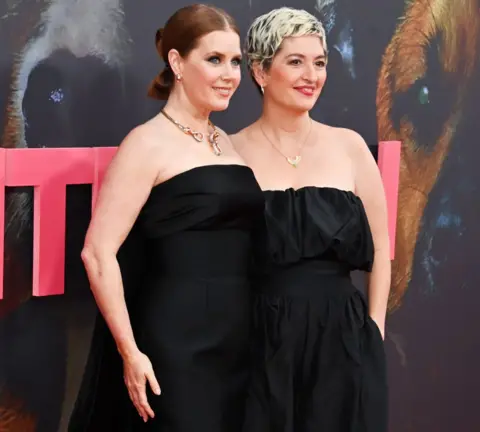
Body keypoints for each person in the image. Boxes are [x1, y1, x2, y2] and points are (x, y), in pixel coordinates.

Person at [68, 4, 264, 431]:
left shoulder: (226, 143)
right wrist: (130, 351)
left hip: (238, 341)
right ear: (177, 62)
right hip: (174, 345)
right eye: (214, 60)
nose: (230, 74)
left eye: (235, 61)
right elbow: (97, 254)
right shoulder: (146, 144)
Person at [231, 7, 390, 432]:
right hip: (261, 337)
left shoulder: (350, 147)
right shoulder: (230, 152)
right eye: (295, 62)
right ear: (261, 71)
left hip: (343, 337)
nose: (311, 76)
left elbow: (382, 250)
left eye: (319, 63)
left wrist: (372, 332)